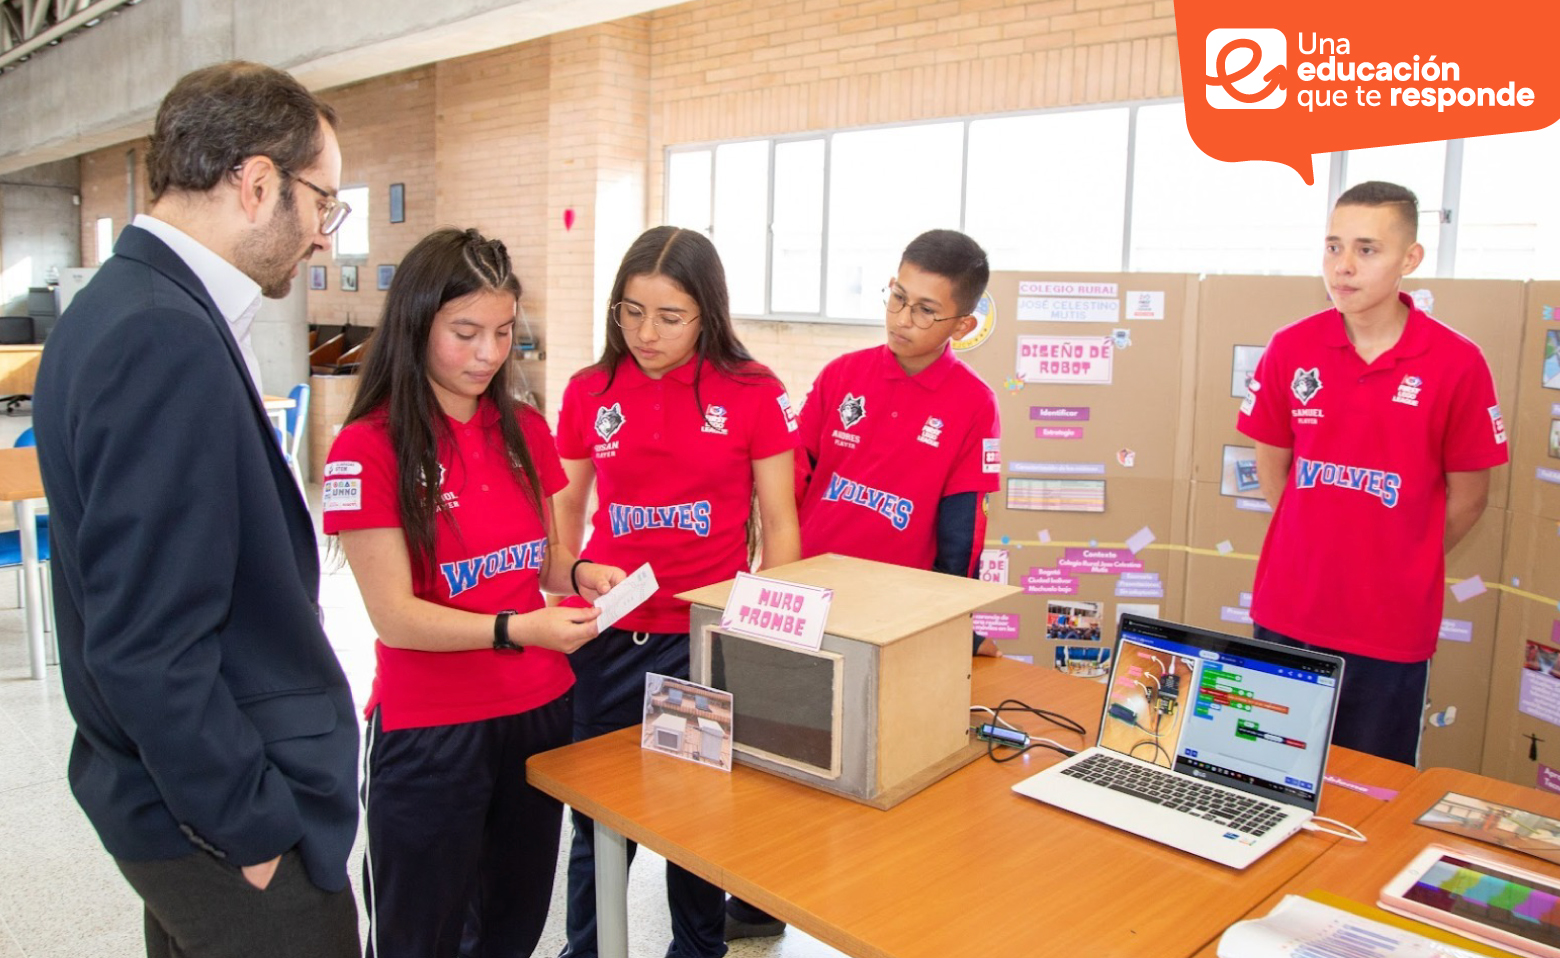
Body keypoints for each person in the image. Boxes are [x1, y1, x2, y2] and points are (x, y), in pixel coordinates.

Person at [32, 62, 361, 956]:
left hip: (181, 799)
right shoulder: (158, 333)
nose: (325, 237)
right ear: (258, 184)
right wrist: (250, 828)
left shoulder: (132, 304)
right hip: (219, 814)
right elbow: (148, 640)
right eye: (324, 203)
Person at [323, 227, 625, 958]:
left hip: (537, 715)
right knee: (419, 933)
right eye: (464, 333)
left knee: (511, 925)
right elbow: (395, 617)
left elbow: (549, 561)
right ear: (417, 324)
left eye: (501, 332)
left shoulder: (524, 427)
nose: (487, 354)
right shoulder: (367, 447)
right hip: (433, 729)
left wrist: (581, 575)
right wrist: (516, 630)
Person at [726, 228, 1002, 942]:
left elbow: (961, 530)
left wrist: (950, 625)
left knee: (880, 766)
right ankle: (758, 901)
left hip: (894, 622)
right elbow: (791, 486)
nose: (902, 320)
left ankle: (882, 916)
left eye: (924, 311)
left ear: (963, 325)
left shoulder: (973, 406)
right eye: (897, 299)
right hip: (806, 605)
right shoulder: (843, 377)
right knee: (777, 758)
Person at [554, 225, 802, 958]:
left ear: (708, 313)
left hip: (702, 641)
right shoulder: (588, 390)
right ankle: (589, 948)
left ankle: (698, 950)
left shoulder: (753, 392)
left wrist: (770, 642)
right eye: (630, 312)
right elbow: (564, 511)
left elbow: (781, 527)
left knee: (699, 817)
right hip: (606, 637)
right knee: (596, 815)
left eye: (669, 317)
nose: (645, 333)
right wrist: (567, 576)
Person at [1237, 180, 1508, 766]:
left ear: (1410, 258)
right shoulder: (1291, 348)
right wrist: (1312, 544)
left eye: (1367, 249)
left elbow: (1469, 498)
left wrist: (1399, 559)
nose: (1344, 267)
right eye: (1333, 247)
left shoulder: (1458, 363)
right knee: (1266, 774)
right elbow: (1271, 466)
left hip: (1388, 629)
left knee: (1370, 796)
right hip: (1288, 610)